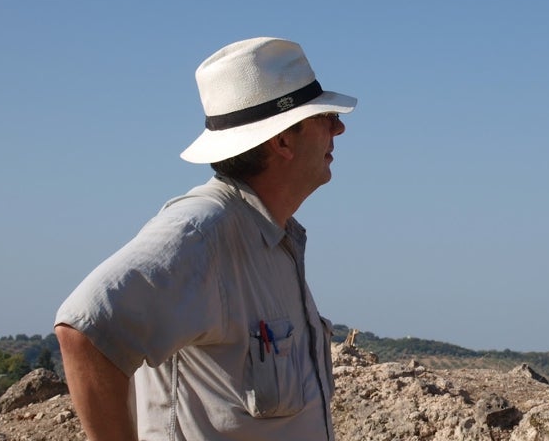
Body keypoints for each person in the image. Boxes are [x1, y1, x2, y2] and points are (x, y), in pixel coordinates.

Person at [54, 37, 357, 440]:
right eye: (326, 117)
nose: (339, 127)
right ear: (282, 140)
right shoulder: (203, 230)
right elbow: (84, 329)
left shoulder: (270, 236)